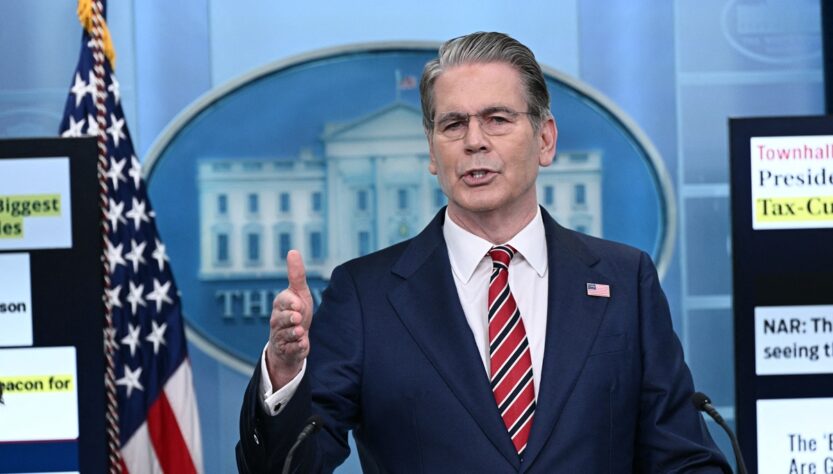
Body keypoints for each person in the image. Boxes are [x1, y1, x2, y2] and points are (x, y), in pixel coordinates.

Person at [237, 31, 730, 473]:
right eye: (453, 124)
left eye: (497, 119)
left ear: (545, 139)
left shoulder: (625, 281)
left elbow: (684, 458)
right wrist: (285, 373)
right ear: (432, 152)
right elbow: (289, 467)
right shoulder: (365, 295)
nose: (474, 142)